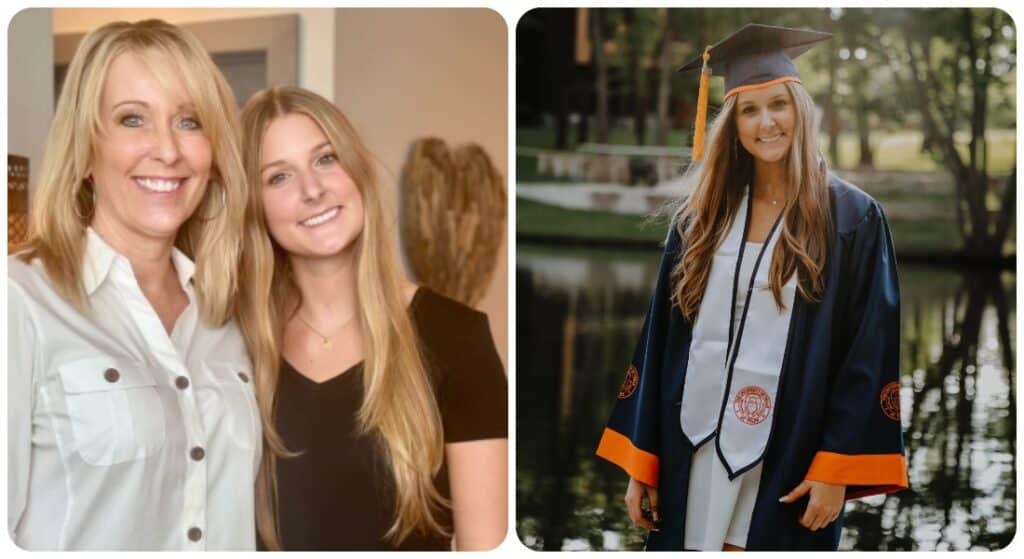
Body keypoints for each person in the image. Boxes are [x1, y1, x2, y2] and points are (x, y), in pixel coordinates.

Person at [595, 23, 909, 551]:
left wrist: (835, 467)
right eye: (749, 110)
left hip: (790, 450)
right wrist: (643, 461)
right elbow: (659, 342)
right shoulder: (701, 219)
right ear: (732, 125)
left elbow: (869, 350)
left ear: (801, 111)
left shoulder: (851, 218)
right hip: (689, 445)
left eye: (778, 105)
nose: (767, 123)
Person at [7, 20, 257, 550]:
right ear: (86, 149)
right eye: (132, 119)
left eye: (189, 121)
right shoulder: (20, 300)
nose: (167, 150)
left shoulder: (228, 314)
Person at [236, 86, 507, 551]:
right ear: (253, 206)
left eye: (326, 159)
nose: (312, 190)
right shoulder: (231, 343)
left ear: (356, 169)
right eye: (278, 177)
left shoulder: (458, 337)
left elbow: (486, 546)